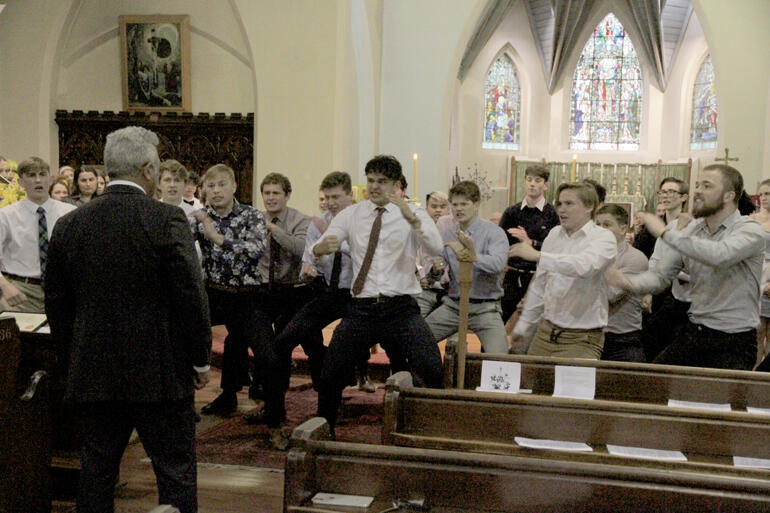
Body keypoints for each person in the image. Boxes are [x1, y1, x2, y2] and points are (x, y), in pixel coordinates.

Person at [44, 126, 211, 513]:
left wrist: (73, 358)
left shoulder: (70, 224)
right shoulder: (165, 219)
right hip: (160, 372)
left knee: (97, 472)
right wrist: (200, 359)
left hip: (94, 371)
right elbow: (191, 296)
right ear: (149, 169)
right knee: (175, 473)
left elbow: (57, 303)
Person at [312, 155, 444, 435]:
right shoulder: (353, 214)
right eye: (371, 181)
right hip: (362, 309)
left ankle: (429, 430)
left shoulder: (413, 214)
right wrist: (322, 248)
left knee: (431, 366)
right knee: (330, 373)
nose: (374, 187)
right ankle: (325, 430)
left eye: (382, 182)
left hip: (401, 309)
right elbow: (324, 242)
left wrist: (414, 220)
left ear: (397, 185)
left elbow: (436, 247)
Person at [608, 164, 764, 371]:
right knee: (654, 385)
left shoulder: (750, 230)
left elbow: (720, 255)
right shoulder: (693, 230)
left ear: (728, 196)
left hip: (734, 340)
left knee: (718, 402)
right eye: (697, 185)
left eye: (707, 186)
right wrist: (622, 280)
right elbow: (660, 277)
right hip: (695, 331)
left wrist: (665, 233)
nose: (697, 191)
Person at [247, 171, 359, 431]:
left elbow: (365, 254)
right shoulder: (318, 222)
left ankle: (329, 411)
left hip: (356, 294)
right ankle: (274, 409)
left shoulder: (359, 221)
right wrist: (311, 264)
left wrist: (331, 242)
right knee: (283, 342)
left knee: (331, 350)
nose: (331, 202)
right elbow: (309, 255)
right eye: (327, 197)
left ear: (349, 195)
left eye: (336, 197)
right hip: (325, 291)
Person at [193, 164, 270, 417]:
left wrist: (218, 238)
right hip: (214, 293)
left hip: (247, 294)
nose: (216, 191)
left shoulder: (252, 215)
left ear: (234, 186)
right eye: (211, 186)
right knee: (183, 333)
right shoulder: (201, 216)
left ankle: (271, 406)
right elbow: (178, 243)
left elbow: (256, 250)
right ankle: (214, 399)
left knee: (262, 348)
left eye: (221, 185)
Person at [510, 182, 616, 358]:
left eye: (569, 204)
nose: (561, 210)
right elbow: (541, 284)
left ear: (589, 207)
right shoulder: (554, 235)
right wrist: (525, 325)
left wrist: (538, 256)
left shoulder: (603, 237)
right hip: (545, 332)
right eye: (559, 204)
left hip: (581, 338)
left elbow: (584, 266)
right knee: (532, 384)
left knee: (572, 386)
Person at [424, 181, 509, 353]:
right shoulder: (448, 233)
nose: (458, 209)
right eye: (454, 205)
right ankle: (428, 379)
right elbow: (433, 272)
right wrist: (435, 270)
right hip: (454, 306)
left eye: (464, 204)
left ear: (476, 205)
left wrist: (474, 258)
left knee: (500, 358)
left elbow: (498, 264)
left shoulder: (494, 232)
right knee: (417, 341)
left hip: (485, 308)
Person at [251, 172, 313, 399]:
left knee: (285, 343)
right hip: (263, 289)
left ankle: (279, 390)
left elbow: (301, 247)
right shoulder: (254, 219)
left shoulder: (300, 220)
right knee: (261, 341)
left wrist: (274, 230)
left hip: (291, 291)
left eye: (275, 193)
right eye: (266, 193)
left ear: (287, 195)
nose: (270, 197)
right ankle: (261, 389)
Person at [0, 157, 75, 313]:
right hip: (20, 291)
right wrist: (5, 286)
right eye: (31, 175)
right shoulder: (6, 215)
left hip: (62, 290)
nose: (38, 180)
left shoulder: (69, 212)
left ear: (50, 178)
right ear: (21, 182)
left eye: (42, 174)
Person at [498, 164, 559, 323]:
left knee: (538, 323)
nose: (532, 184)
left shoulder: (553, 214)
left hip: (540, 276)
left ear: (545, 185)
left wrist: (530, 242)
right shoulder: (512, 212)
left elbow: (557, 249)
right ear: (524, 183)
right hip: (514, 273)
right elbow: (501, 241)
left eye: (537, 180)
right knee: (499, 317)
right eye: (529, 180)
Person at [641, 177, 692, 361]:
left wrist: (673, 270)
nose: (666, 196)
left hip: (683, 295)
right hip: (660, 289)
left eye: (672, 192)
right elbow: (654, 259)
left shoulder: (693, 226)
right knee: (652, 337)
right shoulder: (663, 225)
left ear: (684, 197)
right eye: (663, 192)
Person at [595, 204, 648, 362]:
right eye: (597, 225)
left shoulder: (635, 258)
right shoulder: (588, 253)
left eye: (607, 225)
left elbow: (611, 295)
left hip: (621, 341)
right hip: (588, 336)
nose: (600, 230)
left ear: (623, 229)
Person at [753, 179, 770, 367]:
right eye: (762, 194)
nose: (764, 198)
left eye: (769, 194)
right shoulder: (754, 219)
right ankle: (754, 376)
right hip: (757, 279)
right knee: (757, 332)